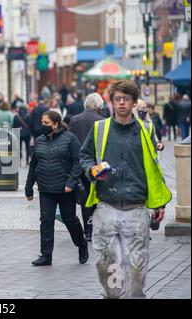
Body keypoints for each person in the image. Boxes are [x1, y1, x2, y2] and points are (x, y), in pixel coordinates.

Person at [80, 80, 171, 299]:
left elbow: (153, 167)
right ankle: (112, 295)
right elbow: (85, 156)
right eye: (117, 99)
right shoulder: (99, 128)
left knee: (137, 266)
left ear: (133, 103)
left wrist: (158, 202)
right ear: (111, 103)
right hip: (106, 205)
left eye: (126, 99)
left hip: (136, 207)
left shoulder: (146, 129)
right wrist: (91, 170)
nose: (121, 103)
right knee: (107, 264)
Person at [25, 111, 88, 267]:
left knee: (70, 219)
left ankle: (81, 244)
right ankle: (46, 255)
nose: (42, 126)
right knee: (46, 221)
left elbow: (78, 162)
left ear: (56, 124)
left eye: (46, 123)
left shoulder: (70, 139)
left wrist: (71, 183)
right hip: (45, 188)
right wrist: (29, 187)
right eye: (42, 122)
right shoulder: (39, 141)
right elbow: (33, 165)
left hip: (65, 189)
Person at [69, 93, 105, 241]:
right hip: (97, 165)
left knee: (84, 198)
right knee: (98, 196)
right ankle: (97, 228)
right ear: (99, 106)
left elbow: (69, 141)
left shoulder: (74, 120)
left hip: (79, 164)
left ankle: (87, 230)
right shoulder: (102, 121)